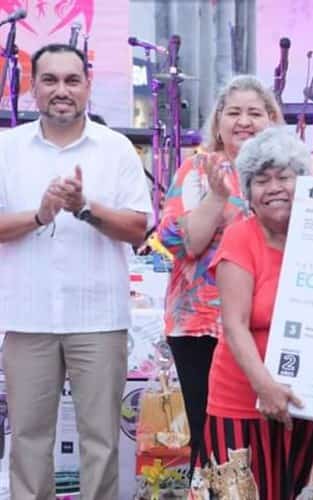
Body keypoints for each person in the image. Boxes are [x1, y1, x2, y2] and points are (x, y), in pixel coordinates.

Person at [0, 44, 152, 499]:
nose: (61, 90)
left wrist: (84, 208)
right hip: (28, 318)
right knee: (27, 439)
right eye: (50, 80)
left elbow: (138, 228)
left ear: (87, 86)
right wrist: (42, 215)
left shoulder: (116, 148)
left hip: (99, 319)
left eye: (71, 80)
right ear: (32, 87)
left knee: (101, 441)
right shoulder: (7, 149)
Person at [194, 126, 313, 499]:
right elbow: (234, 326)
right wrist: (265, 386)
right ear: (248, 194)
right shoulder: (240, 237)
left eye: (285, 177)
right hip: (243, 403)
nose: (275, 187)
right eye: (261, 181)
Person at [157, 74, 284, 474]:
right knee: (211, 439)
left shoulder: (286, 172)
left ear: (271, 120)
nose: (243, 121)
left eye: (254, 113)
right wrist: (217, 195)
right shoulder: (196, 169)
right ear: (218, 122)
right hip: (201, 326)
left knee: (269, 434)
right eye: (234, 112)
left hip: (266, 324)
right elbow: (186, 245)